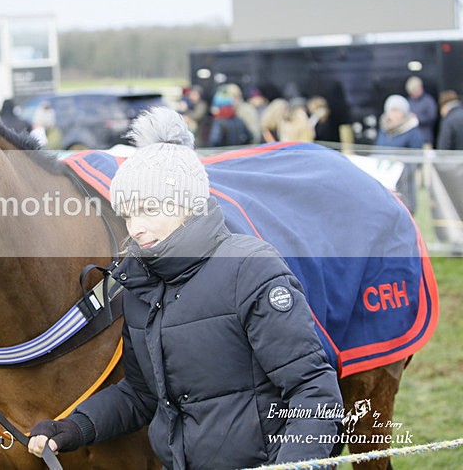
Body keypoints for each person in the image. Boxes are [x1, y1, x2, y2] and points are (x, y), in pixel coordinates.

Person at [28, 108, 343, 469]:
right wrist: (76, 427)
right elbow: (141, 394)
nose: (137, 228)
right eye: (129, 214)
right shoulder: (138, 286)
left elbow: (313, 390)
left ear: (187, 205)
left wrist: (294, 466)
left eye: (148, 209)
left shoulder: (252, 269)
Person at [375, 95, 424, 214]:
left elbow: (416, 157)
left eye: (397, 111)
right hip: (384, 183)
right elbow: (377, 150)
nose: (393, 114)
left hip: (404, 185)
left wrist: (399, 168)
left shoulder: (412, 132)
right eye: (391, 111)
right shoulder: (383, 130)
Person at [405, 76, 438, 147]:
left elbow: (432, 116)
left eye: (415, 91)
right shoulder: (408, 101)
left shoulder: (428, 101)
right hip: (409, 139)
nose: (413, 94)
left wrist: (416, 118)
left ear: (420, 88)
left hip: (425, 139)